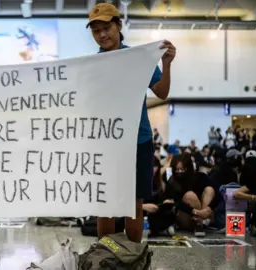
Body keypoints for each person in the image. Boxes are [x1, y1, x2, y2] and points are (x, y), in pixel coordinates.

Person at [87, 2, 176, 243]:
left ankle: (132, 257)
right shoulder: (91, 67)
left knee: (135, 204)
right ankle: (106, 257)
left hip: (139, 139)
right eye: (96, 31)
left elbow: (162, 92)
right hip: (106, 142)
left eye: (107, 27)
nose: (102, 35)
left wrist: (166, 64)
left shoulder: (139, 59)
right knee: (105, 203)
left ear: (118, 25)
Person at [165, 153, 221, 237]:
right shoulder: (172, 182)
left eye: (182, 169)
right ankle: (199, 223)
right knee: (190, 195)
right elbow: (176, 202)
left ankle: (200, 223)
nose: (179, 172)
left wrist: (207, 210)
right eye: (177, 169)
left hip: (205, 216)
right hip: (186, 215)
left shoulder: (201, 177)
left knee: (209, 190)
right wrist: (196, 212)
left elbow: (218, 195)